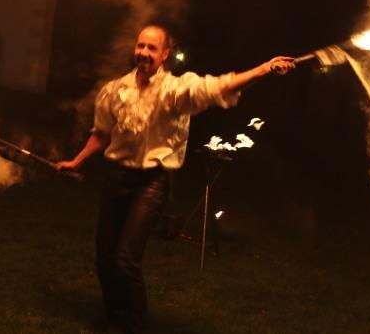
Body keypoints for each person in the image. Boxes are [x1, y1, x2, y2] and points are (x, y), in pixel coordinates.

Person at [56, 25, 295, 333]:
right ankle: (115, 319)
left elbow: (219, 87)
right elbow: (101, 133)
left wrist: (263, 69)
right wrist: (77, 160)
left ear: (165, 54)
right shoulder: (115, 90)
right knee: (105, 260)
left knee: (126, 260)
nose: (143, 53)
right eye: (140, 46)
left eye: (151, 48)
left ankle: (135, 326)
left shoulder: (176, 90)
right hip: (117, 178)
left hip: (151, 183)